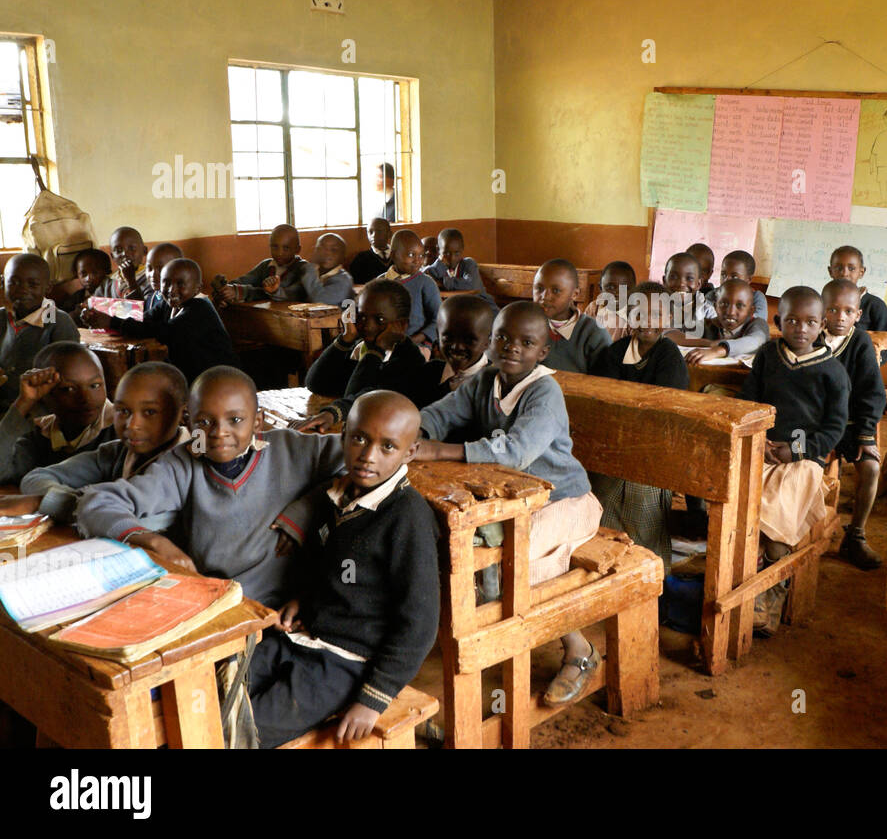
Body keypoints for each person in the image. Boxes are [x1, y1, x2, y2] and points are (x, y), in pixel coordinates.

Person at [417, 302, 603, 705]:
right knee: (476, 547)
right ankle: (491, 633)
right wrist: (410, 431)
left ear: (543, 352)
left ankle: (580, 650)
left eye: (526, 342)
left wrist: (437, 451)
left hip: (566, 502)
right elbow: (441, 413)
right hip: (517, 504)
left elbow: (515, 451)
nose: (511, 347)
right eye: (502, 337)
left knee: (513, 561)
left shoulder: (544, 392)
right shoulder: (486, 380)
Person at [246, 391, 438, 748]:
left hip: (346, 662)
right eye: (359, 439)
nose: (367, 456)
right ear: (343, 436)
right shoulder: (337, 495)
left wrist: (372, 699)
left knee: (244, 730)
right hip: (299, 637)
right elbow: (334, 567)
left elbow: (420, 623)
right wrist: (303, 598)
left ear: (409, 452)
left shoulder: (407, 517)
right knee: (216, 690)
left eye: (388, 447)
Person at [75, 366, 345, 607]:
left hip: (288, 603)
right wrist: (155, 542)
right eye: (204, 422)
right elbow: (96, 503)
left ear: (258, 420)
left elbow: (365, 460)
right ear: (188, 422)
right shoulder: (182, 464)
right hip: (218, 603)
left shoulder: (292, 449)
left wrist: (307, 508)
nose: (218, 432)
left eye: (235, 420)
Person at [739, 287, 849, 637]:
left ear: (822, 327)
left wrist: (795, 449)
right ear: (778, 322)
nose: (801, 328)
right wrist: (762, 441)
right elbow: (749, 403)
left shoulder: (832, 372)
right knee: (738, 501)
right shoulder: (768, 356)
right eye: (792, 320)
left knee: (773, 521)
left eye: (810, 322)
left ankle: (769, 593)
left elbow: (834, 429)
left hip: (805, 459)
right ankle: (749, 587)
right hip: (764, 448)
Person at [3, 363, 188, 524]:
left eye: (150, 412)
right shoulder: (117, 453)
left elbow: (121, 518)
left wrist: (42, 501)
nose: (132, 425)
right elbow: (36, 477)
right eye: (123, 410)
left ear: (182, 413)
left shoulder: (186, 468)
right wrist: (64, 501)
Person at [589, 282, 689, 571]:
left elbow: (665, 410)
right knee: (600, 503)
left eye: (655, 313)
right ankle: (605, 572)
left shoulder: (669, 356)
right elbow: (602, 398)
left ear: (668, 319)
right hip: (613, 449)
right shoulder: (614, 352)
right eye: (638, 312)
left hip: (651, 453)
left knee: (642, 510)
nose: (646, 320)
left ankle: (651, 576)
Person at [295, 280, 454, 430]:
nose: (367, 325)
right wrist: (345, 339)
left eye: (379, 319)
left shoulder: (409, 361)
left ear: (401, 325)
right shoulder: (361, 349)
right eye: (362, 316)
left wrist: (375, 351)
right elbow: (316, 383)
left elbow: (361, 401)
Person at [821, 279, 887, 571]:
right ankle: (798, 532)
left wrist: (865, 434)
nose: (840, 317)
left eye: (848, 311)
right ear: (822, 311)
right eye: (833, 310)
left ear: (858, 316)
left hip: (850, 426)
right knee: (798, 460)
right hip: (813, 427)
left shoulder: (860, 342)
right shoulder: (809, 336)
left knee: (871, 466)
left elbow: (873, 393)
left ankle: (856, 535)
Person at [86, 258, 239, 384]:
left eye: (180, 284)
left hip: (221, 381)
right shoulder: (167, 305)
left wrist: (112, 322)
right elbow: (144, 320)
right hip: (193, 379)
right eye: (166, 283)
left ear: (197, 288)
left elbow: (163, 331)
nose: (171, 289)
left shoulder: (200, 309)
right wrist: (100, 315)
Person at [0, 342, 113, 485]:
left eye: (95, 385)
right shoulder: (42, 435)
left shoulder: (122, 431)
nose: (86, 398)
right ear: (44, 395)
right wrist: (24, 402)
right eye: (69, 389)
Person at [0, 253, 79, 413]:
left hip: (39, 409)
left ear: (48, 287)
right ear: (2, 283)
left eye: (33, 284)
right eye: (14, 282)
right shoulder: (2, 317)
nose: (23, 290)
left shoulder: (59, 322)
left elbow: (69, 375)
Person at [533, 258, 610, 373]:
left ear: (574, 294)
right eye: (539, 288)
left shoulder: (594, 333)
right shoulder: (526, 326)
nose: (545, 296)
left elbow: (604, 382)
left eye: (555, 291)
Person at [828, 245, 887, 364]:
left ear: (861, 272)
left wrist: (871, 361)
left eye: (851, 268)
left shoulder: (875, 305)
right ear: (830, 271)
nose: (844, 273)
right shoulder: (821, 302)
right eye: (838, 268)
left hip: (858, 370)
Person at [214, 224, 309, 304]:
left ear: (298, 249)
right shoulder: (266, 265)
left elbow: (291, 295)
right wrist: (225, 289)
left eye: (286, 248)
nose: (279, 253)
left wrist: (242, 292)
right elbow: (244, 280)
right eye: (274, 247)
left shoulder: (303, 268)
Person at [684, 278, 768, 364]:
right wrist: (709, 344)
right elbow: (673, 333)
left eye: (740, 305)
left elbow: (756, 341)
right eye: (724, 304)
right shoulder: (711, 323)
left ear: (751, 311)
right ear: (715, 307)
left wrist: (718, 350)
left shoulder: (757, 324)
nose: (730, 312)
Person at [423, 228, 493, 307]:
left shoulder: (469, 264)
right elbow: (425, 276)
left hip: (484, 309)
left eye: (457, 253)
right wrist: (440, 263)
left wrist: (443, 282)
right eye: (447, 253)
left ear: (462, 249)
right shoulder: (436, 268)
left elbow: (470, 286)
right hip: (458, 311)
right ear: (438, 249)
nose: (452, 258)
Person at [660, 252, 715, 340]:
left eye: (689, 278)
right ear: (664, 280)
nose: (681, 284)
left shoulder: (707, 311)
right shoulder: (657, 307)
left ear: (698, 284)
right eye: (673, 277)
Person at [704, 250, 768, 323]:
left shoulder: (756, 297)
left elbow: (758, 322)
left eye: (734, 277)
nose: (726, 280)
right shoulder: (712, 295)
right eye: (723, 275)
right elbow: (705, 319)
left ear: (748, 280)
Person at [93, 226, 151, 301]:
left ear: (144, 251)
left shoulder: (152, 279)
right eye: (118, 250)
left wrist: (131, 281)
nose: (124, 254)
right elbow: (94, 305)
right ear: (112, 256)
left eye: (131, 248)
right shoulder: (108, 284)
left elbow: (144, 310)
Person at [583, 260, 636, 342]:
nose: (617, 293)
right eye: (610, 287)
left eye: (624, 288)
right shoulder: (594, 308)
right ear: (600, 288)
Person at [301, 233, 354, 306]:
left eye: (334, 250)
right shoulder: (310, 272)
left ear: (343, 258)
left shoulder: (344, 280)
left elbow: (319, 300)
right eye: (321, 248)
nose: (327, 253)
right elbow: (292, 294)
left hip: (338, 317)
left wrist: (311, 267)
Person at [60, 248, 111, 319]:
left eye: (95, 273)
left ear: (106, 271)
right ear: (76, 274)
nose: (88, 278)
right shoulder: (77, 297)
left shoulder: (112, 292)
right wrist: (76, 313)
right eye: (83, 274)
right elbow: (61, 316)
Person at [349, 218, 392, 285]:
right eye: (370, 232)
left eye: (379, 231)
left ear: (389, 234)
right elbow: (356, 285)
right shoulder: (360, 259)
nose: (374, 235)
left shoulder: (398, 255)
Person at [141, 243, 183, 313]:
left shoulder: (182, 300)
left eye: (161, 269)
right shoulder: (153, 297)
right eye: (149, 268)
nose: (153, 274)